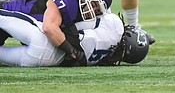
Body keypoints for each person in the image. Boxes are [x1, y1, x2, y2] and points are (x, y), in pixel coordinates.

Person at [0, 8, 149, 67]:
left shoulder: (116, 26)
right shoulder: (106, 61)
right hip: (46, 60)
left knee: (2, 17)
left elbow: (75, 25)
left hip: (44, 38)